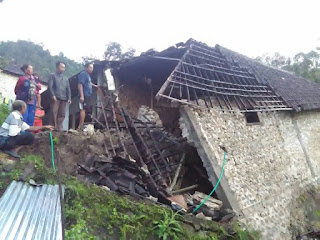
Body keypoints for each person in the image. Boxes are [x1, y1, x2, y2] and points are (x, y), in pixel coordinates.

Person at [48, 61, 71, 131]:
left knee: (62, 113)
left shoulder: (66, 78)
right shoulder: (53, 75)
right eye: (61, 67)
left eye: (64, 67)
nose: (63, 69)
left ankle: (59, 126)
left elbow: (68, 89)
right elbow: (50, 86)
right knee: (53, 112)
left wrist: (69, 98)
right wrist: (53, 95)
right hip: (56, 97)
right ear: (57, 67)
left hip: (63, 98)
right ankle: (52, 127)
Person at [78, 62, 96, 129]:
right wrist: (82, 96)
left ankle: (82, 125)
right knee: (83, 109)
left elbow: (89, 82)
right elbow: (80, 85)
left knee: (85, 109)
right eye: (90, 67)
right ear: (86, 67)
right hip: (84, 95)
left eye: (92, 68)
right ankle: (80, 125)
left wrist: (95, 86)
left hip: (88, 95)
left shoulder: (87, 75)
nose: (92, 69)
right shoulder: (83, 74)